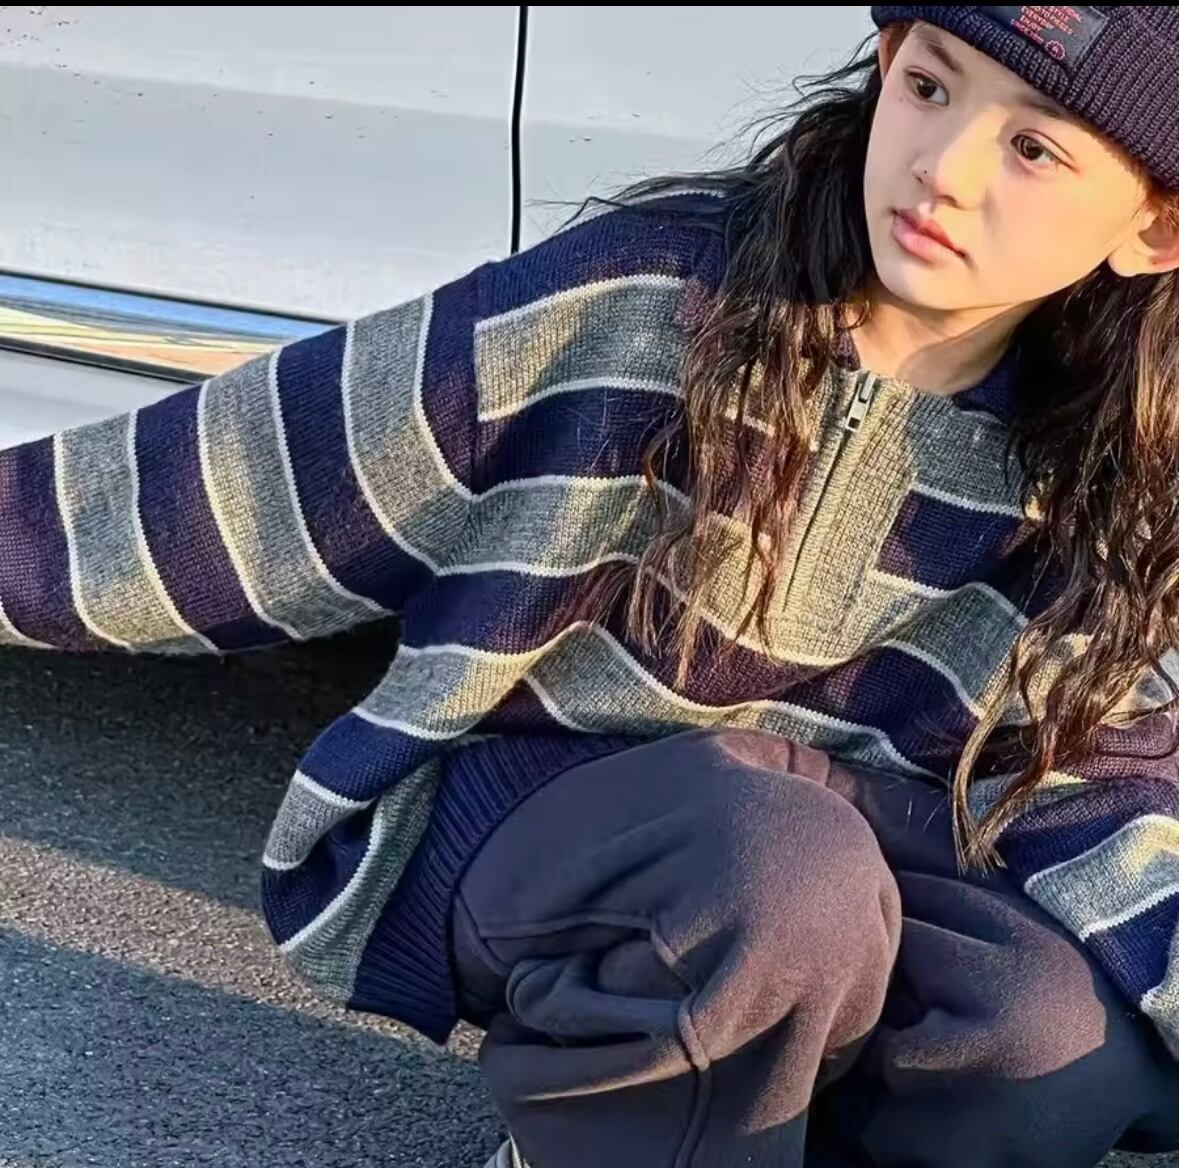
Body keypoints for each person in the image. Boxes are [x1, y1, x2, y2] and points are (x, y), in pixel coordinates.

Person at [2, 4, 1179, 1165]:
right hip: (556, 808)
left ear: (1156, 229)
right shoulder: (654, 293)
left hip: (856, 839)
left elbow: (1109, 776)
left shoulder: (1107, 454)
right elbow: (259, 477)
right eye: (928, 87)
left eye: (1034, 148)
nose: (944, 167)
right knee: (780, 876)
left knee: (1052, 1030)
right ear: (886, 58)